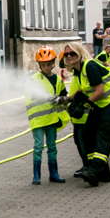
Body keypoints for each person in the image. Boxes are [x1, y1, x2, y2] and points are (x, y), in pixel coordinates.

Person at [64, 40, 110, 187]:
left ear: (79, 53)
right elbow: (81, 90)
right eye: (66, 54)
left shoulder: (89, 66)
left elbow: (100, 91)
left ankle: (94, 170)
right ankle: (103, 173)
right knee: (87, 134)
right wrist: (68, 99)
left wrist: (85, 105)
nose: (69, 56)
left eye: (72, 53)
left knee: (103, 135)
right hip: (102, 103)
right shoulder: (78, 71)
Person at [26, 47, 69, 185]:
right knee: (38, 146)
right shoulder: (34, 79)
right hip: (38, 120)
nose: (46, 67)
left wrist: (60, 99)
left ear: (53, 63)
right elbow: (30, 97)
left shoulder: (58, 79)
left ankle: (54, 174)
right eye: (43, 64)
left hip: (52, 118)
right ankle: (36, 176)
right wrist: (46, 99)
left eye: (49, 64)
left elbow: (64, 95)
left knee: (52, 147)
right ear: (39, 65)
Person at [61, 45, 91, 176]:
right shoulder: (76, 75)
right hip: (78, 118)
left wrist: (71, 101)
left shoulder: (83, 72)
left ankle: (89, 167)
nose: (65, 66)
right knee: (79, 142)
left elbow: (83, 92)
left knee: (85, 144)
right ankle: (86, 166)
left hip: (85, 116)